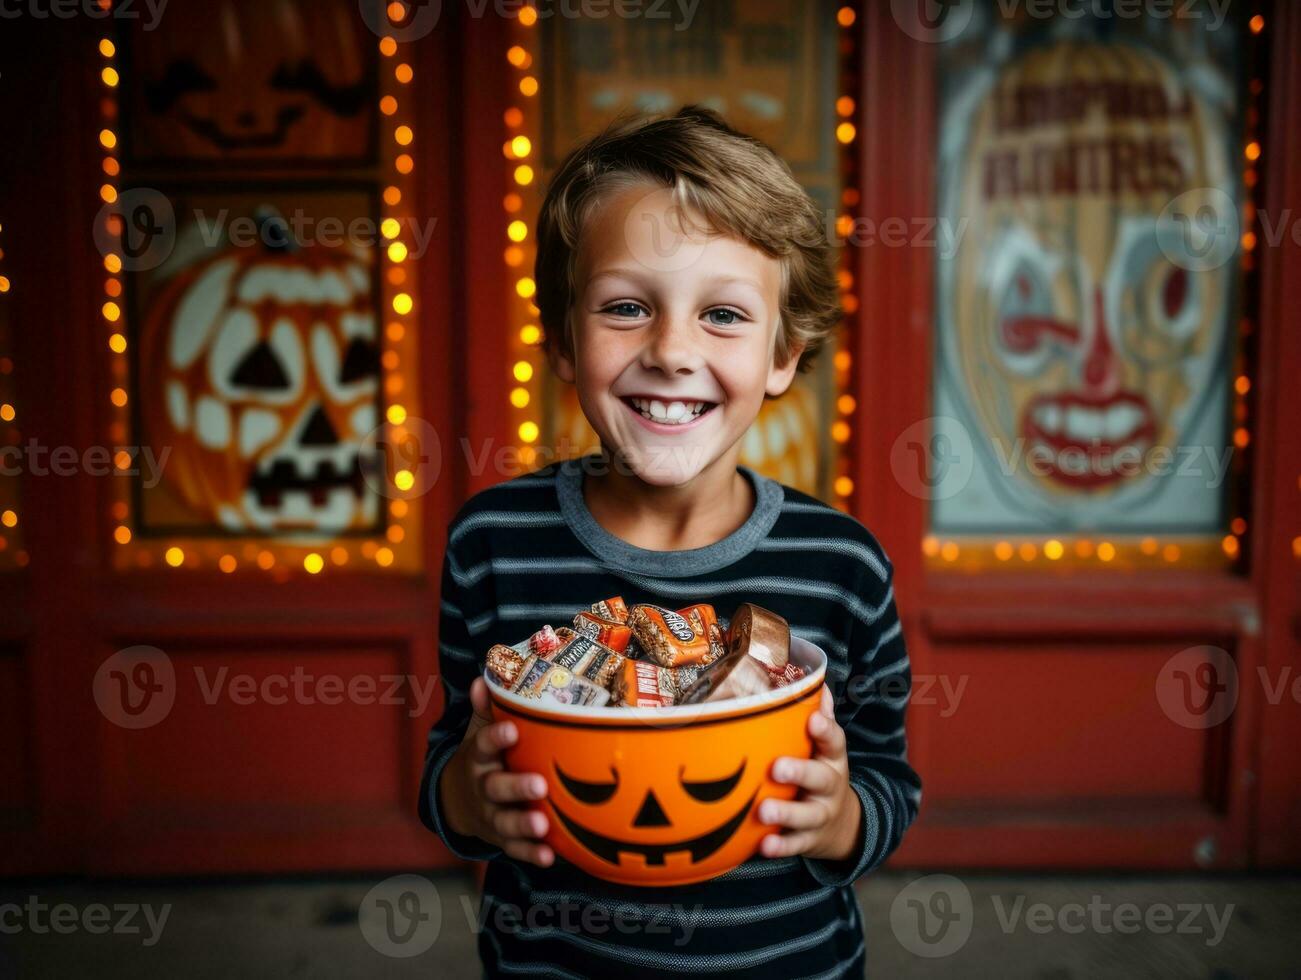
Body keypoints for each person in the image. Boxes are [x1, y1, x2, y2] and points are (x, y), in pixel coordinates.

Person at [419, 105, 921, 978]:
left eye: (723, 315)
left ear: (783, 355)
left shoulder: (842, 566)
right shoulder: (491, 543)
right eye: (624, 307)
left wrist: (841, 820)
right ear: (566, 339)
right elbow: (446, 767)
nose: (670, 351)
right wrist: (467, 798)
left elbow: (886, 776)